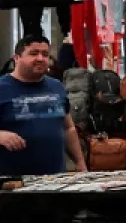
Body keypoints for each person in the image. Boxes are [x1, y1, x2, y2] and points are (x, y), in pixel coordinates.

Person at [0, 37, 86, 177]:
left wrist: (80, 162)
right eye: (33, 53)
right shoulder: (2, 88)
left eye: (45, 54)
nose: (40, 58)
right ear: (16, 58)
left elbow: (68, 128)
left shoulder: (56, 86)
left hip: (55, 182)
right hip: (12, 185)